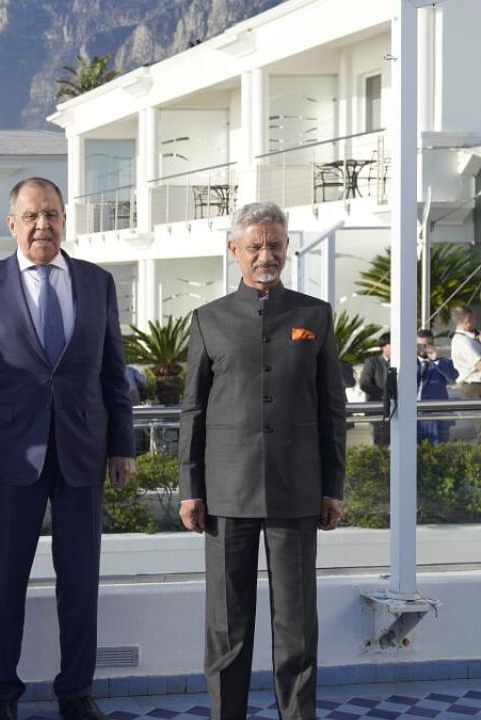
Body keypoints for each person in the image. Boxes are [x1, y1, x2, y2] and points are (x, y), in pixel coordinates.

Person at [0, 177, 135, 720]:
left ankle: (76, 693)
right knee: (5, 583)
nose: (42, 225)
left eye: (51, 214)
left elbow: (112, 373)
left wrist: (122, 445)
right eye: (31, 216)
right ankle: (2, 695)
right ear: (12, 224)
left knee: (80, 584)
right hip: (8, 459)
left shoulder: (97, 283)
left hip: (83, 454)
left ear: (64, 220)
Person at [178, 201, 345, 720]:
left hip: (298, 494)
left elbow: (332, 407)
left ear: (287, 246)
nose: (265, 254)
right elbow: (193, 410)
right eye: (254, 246)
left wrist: (333, 486)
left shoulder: (314, 315)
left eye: (274, 244)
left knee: (296, 629)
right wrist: (190, 488)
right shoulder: (208, 321)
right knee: (227, 631)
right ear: (234, 251)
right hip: (226, 496)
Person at [417, 329, 458, 444]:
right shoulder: (408, 363)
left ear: (433, 345)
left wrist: (436, 360)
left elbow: (452, 378)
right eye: (420, 345)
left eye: (427, 345)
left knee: (438, 454)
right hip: (412, 415)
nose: (423, 348)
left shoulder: (442, 362)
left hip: (437, 417)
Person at [359, 333, 392, 446]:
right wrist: (384, 395)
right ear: (383, 346)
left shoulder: (403, 362)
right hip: (379, 410)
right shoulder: (372, 362)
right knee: (381, 442)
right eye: (392, 344)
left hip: (397, 409)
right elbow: (364, 384)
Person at [449, 306, 481, 399]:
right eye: (474, 318)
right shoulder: (463, 341)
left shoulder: (468, 339)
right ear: (468, 319)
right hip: (474, 387)